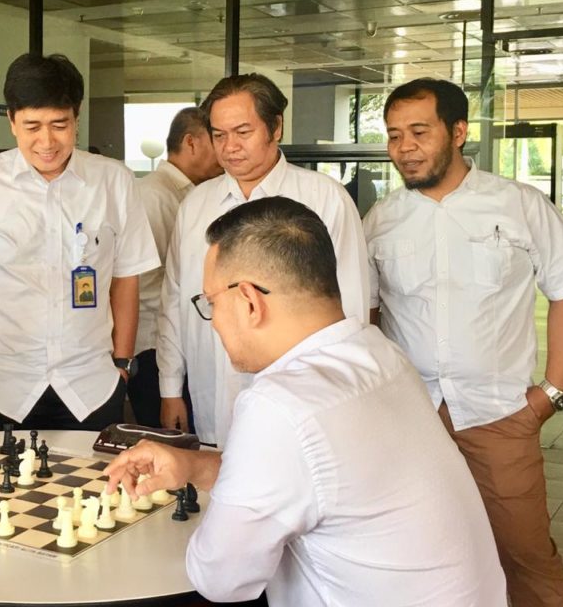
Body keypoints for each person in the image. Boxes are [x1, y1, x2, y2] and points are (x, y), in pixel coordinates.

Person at [106, 197, 507, 607]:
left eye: (211, 303)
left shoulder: (280, 406)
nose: (215, 322)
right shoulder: (379, 354)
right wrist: (195, 466)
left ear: (250, 301)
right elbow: (311, 480)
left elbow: (221, 579)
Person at [364, 78, 563, 607]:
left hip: (499, 415)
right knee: (422, 555)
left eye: (419, 132)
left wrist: (551, 393)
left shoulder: (518, 204)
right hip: (412, 421)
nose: (404, 148)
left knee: (525, 556)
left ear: (458, 132)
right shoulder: (380, 220)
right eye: (394, 136)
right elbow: (367, 317)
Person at [0, 53, 158, 431]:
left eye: (59, 125)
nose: (46, 141)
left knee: (92, 473)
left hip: (91, 385)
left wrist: (122, 363)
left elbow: (125, 279)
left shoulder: (114, 182)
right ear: (11, 121)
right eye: (32, 126)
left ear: (77, 118)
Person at [156, 73, 368, 446]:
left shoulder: (324, 199)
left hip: (303, 405)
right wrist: (170, 387)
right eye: (219, 135)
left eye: (243, 132)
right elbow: (174, 300)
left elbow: (351, 309)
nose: (230, 147)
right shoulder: (195, 205)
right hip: (211, 396)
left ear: (276, 127)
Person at [131, 106, 220, 426]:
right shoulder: (154, 196)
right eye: (217, 139)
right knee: (168, 437)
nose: (225, 150)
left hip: (185, 341)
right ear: (191, 142)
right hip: (154, 345)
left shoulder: (198, 194)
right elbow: (144, 282)